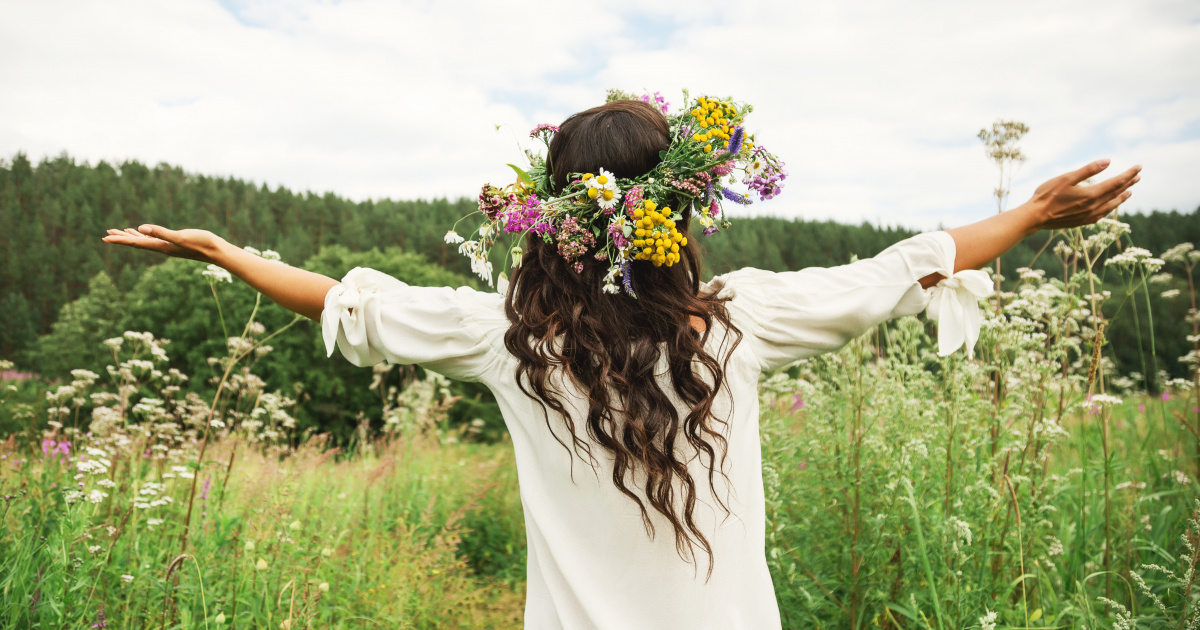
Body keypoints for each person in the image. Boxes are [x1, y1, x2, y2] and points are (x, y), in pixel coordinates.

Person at [104, 98, 1140, 629]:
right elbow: (905, 265)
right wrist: (1032, 213)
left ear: (552, 214)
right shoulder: (741, 323)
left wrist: (227, 253)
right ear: (682, 211)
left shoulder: (506, 338)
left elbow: (347, 299)